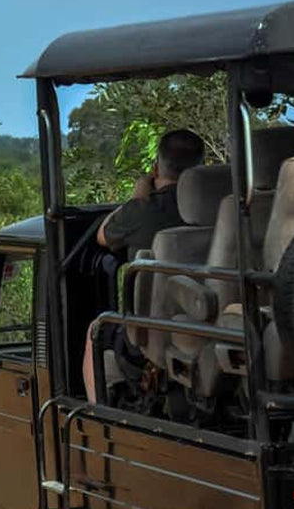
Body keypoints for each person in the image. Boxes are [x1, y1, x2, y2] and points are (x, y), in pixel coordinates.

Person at [83, 128, 206, 402]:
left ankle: (99, 415)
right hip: (211, 323)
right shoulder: (221, 212)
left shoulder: (141, 210)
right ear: (200, 169)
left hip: (153, 334)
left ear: (155, 168)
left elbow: (103, 235)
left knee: (97, 330)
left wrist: (139, 195)